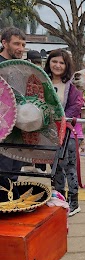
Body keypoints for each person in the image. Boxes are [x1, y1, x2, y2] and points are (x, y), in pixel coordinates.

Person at [44, 49, 83, 216]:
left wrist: (61, 119)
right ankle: (59, 197)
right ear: (49, 62)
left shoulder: (72, 86)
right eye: (54, 61)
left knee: (69, 167)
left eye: (61, 62)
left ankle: (74, 202)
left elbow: (77, 105)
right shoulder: (42, 81)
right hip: (49, 134)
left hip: (69, 133)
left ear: (66, 66)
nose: (57, 65)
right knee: (55, 167)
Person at [0, 27, 27, 180]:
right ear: (4, 43)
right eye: (16, 44)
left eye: (23, 45)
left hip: (18, 131)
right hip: (2, 131)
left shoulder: (21, 67)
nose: (21, 49)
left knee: (13, 176)